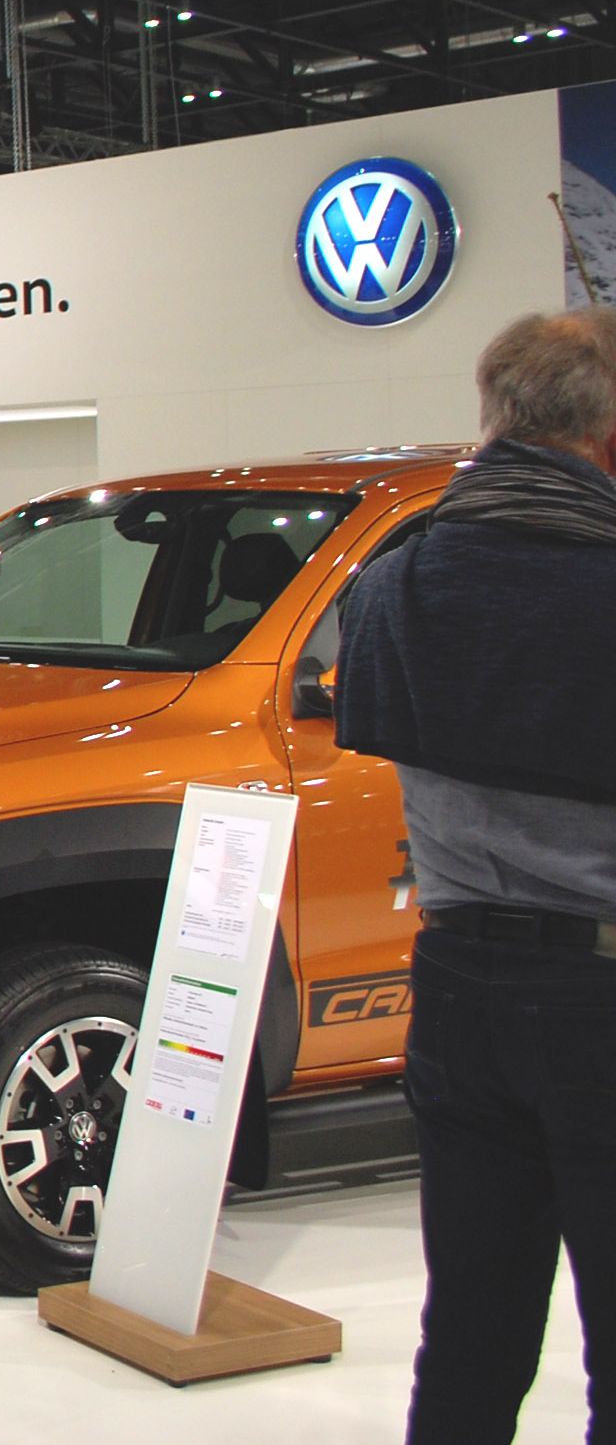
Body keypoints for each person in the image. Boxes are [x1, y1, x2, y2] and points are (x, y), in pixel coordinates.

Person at [334, 309, 616, 1445]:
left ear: (492, 416)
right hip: (600, 1001)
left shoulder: (392, 582)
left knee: (471, 1334)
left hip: (454, 990)